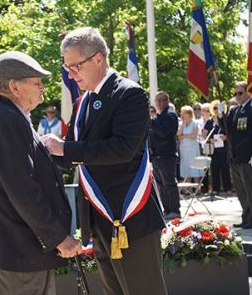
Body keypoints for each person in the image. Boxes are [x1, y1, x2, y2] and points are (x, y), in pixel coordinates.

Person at [42, 27, 166, 295]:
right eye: (67, 68)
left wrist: (65, 149)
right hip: (99, 219)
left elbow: (123, 148)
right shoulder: (82, 102)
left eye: (75, 67)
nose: (71, 75)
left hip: (131, 217)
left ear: (98, 59)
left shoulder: (128, 93)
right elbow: (74, 156)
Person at [0, 51, 80, 294]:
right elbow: (22, 190)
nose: (43, 88)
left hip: (15, 249)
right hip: (17, 250)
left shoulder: (1, 114)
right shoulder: (4, 119)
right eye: (37, 82)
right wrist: (58, 238)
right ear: (14, 87)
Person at [218, 81, 252, 229]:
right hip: (234, 155)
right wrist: (221, 115)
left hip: (248, 155)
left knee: (250, 188)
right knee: (240, 189)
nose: (237, 96)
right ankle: (246, 216)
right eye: (235, 94)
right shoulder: (234, 111)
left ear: (248, 92)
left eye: (240, 93)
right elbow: (227, 129)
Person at [149, 91, 180, 220]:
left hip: (167, 155)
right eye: (158, 101)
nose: (160, 103)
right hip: (156, 155)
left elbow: (165, 133)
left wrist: (152, 123)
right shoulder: (158, 117)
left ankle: (174, 209)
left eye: (163, 100)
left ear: (168, 101)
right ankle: (166, 209)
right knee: (161, 185)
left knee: (169, 184)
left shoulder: (170, 116)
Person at [202, 100, 232, 194]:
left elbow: (231, 132)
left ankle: (227, 188)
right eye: (214, 108)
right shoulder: (210, 122)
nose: (216, 110)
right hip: (214, 147)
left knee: (225, 168)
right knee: (214, 168)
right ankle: (215, 189)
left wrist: (226, 137)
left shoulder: (226, 120)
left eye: (218, 108)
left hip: (224, 147)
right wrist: (210, 139)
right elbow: (204, 134)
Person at [177, 105, 203, 181]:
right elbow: (178, 134)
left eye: (184, 113)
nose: (182, 114)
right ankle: (188, 189)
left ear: (189, 113)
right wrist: (182, 125)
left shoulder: (195, 123)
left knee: (194, 166)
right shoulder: (181, 124)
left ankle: (197, 187)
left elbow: (194, 136)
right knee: (186, 167)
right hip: (184, 148)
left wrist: (184, 136)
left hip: (193, 148)